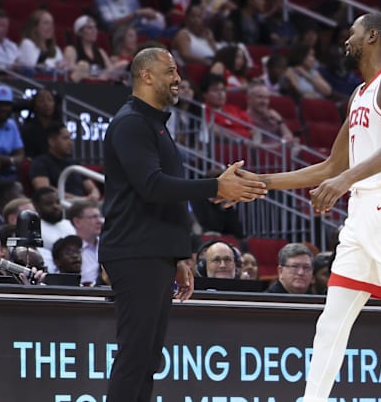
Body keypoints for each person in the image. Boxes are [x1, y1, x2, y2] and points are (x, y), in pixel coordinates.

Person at [240, 13, 381, 401]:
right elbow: (331, 166)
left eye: (353, 33)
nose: (346, 39)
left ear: (372, 36)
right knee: (331, 323)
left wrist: (345, 180)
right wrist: (263, 183)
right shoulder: (358, 94)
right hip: (361, 215)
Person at [99, 47, 266, 402]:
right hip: (134, 252)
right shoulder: (131, 122)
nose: (178, 78)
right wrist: (215, 186)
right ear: (146, 76)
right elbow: (152, 186)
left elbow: (168, 201)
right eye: (171, 71)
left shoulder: (155, 124)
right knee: (135, 357)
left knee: (147, 359)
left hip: (154, 252)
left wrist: (180, 255)